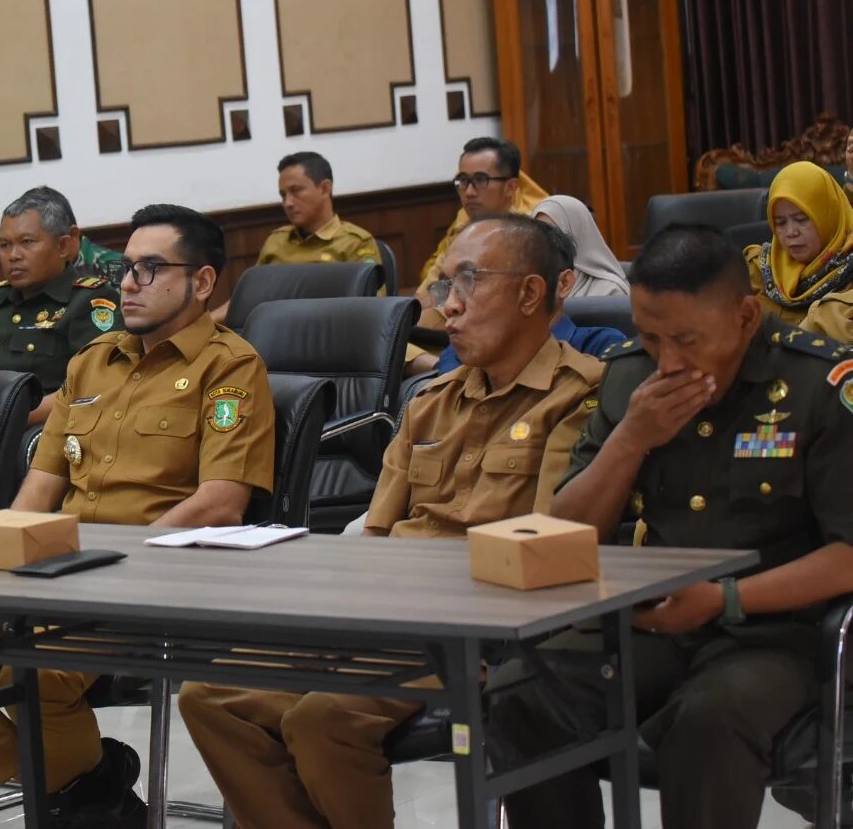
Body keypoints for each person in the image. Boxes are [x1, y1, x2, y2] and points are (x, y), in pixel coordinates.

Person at [179, 216, 603, 829]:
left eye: (469, 282)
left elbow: (541, 548)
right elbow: (376, 534)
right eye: (443, 286)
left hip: (473, 634)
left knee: (322, 719)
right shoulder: (429, 401)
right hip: (387, 615)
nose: (447, 306)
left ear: (531, 293)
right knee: (211, 696)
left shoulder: (577, 397)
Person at [0, 205, 276, 828]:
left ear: (202, 282)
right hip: (59, 568)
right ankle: (87, 786)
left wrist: (118, 563)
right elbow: (39, 489)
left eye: (151, 269)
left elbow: (221, 501)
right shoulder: (92, 361)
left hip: (154, 579)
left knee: (31, 672)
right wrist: (2, 559)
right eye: (127, 268)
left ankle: (72, 792)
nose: (128, 283)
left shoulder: (230, 365)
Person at [487, 224, 853, 829]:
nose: (669, 361)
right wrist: (630, 439)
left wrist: (724, 598)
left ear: (745, 316)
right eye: (651, 337)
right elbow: (567, 531)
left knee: (707, 719)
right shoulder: (632, 377)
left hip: (778, 634)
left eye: (685, 339)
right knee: (521, 693)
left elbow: (848, 554)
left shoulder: (818, 384)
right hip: (653, 621)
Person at [0, 189, 124, 424]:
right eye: (4, 245)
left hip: (51, 430)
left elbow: (96, 387)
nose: (13, 255)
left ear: (63, 246)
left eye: (26, 242)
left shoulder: (90, 301)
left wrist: (8, 420)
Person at [211, 152, 385, 323]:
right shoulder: (276, 241)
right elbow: (248, 298)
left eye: (296, 191)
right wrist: (207, 322)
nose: (287, 203)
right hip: (275, 330)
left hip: (332, 331)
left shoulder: (355, 242)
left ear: (325, 189)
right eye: (283, 195)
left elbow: (373, 308)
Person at [433, 221, 626, 373]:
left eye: (470, 280)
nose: (450, 305)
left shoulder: (599, 346)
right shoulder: (460, 352)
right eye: (448, 286)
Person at [415, 136, 549, 295]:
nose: (469, 192)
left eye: (480, 180)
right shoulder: (463, 225)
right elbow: (426, 294)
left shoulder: (531, 236)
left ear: (510, 187)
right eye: (463, 180)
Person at [744, 160, 853, 326]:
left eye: (802, 219)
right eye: (780, 223)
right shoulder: (758, 269)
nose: (791, 232)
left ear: (828, 216)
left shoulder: (849, 272)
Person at [531, 194, 629, 297]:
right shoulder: (530, 284)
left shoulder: (611, 290)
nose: (543, 240)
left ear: (578, 232)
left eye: (552, 233)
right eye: (538, 232)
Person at [25, 186, 124, 276]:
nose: (17, 255)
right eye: (10, 244)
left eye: (27, 241)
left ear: (72, 235)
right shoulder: (23, 274)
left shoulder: (118, 271)